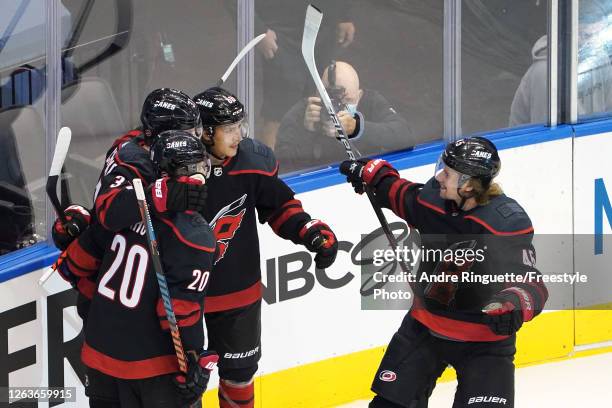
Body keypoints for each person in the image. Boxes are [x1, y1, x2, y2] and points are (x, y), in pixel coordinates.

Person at [339, 136, 549, 407]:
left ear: (469, 186)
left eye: (447, 173)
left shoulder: (504, 224)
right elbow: (400, 195)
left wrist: (513, 305)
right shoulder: (432, 201)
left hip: (483, 343)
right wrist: (374, 175)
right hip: (425, 329)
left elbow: (532, 284)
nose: (439, 176)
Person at [192, 86, 339, 408]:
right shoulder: (176, 165)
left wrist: (309, 231)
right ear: (204, 132)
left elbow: (279, 207)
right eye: (229, 129)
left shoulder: (253, 160)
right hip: (184, 296)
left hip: (237, 291)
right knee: (184, 383)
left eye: (239, 126)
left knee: (240, 374)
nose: (238, 136)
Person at [61, 130, 216, 408]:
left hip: (100, 356)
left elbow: (74, 266)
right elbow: (179, 314)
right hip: (154, 367)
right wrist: (192, 362)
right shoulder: (193, 235)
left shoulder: (124, 212)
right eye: (198, 168)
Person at [276, 60, 414, 172]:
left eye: (347, 101)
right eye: (330, 101)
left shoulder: (370, 102)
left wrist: (357, 128)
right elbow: (283, 167)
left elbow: (406, 137)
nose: (338, 109)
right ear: (318, 94)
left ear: (359, 95)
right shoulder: (305, 112)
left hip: (362, 176)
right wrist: (306, 132)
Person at [254, 0, 356, 149]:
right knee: (278, 110)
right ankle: (268, 169)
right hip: (281, 31)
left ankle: (311, 164)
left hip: (324, 26)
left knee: (322, 103)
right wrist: (257, 29)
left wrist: (344, 15)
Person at [509, 0, 612, 126]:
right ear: (567, 32)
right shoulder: (546, 72)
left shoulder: (600, 57)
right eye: (587, 36)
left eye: (599, 35)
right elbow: (547, 138)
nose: (594, 44)